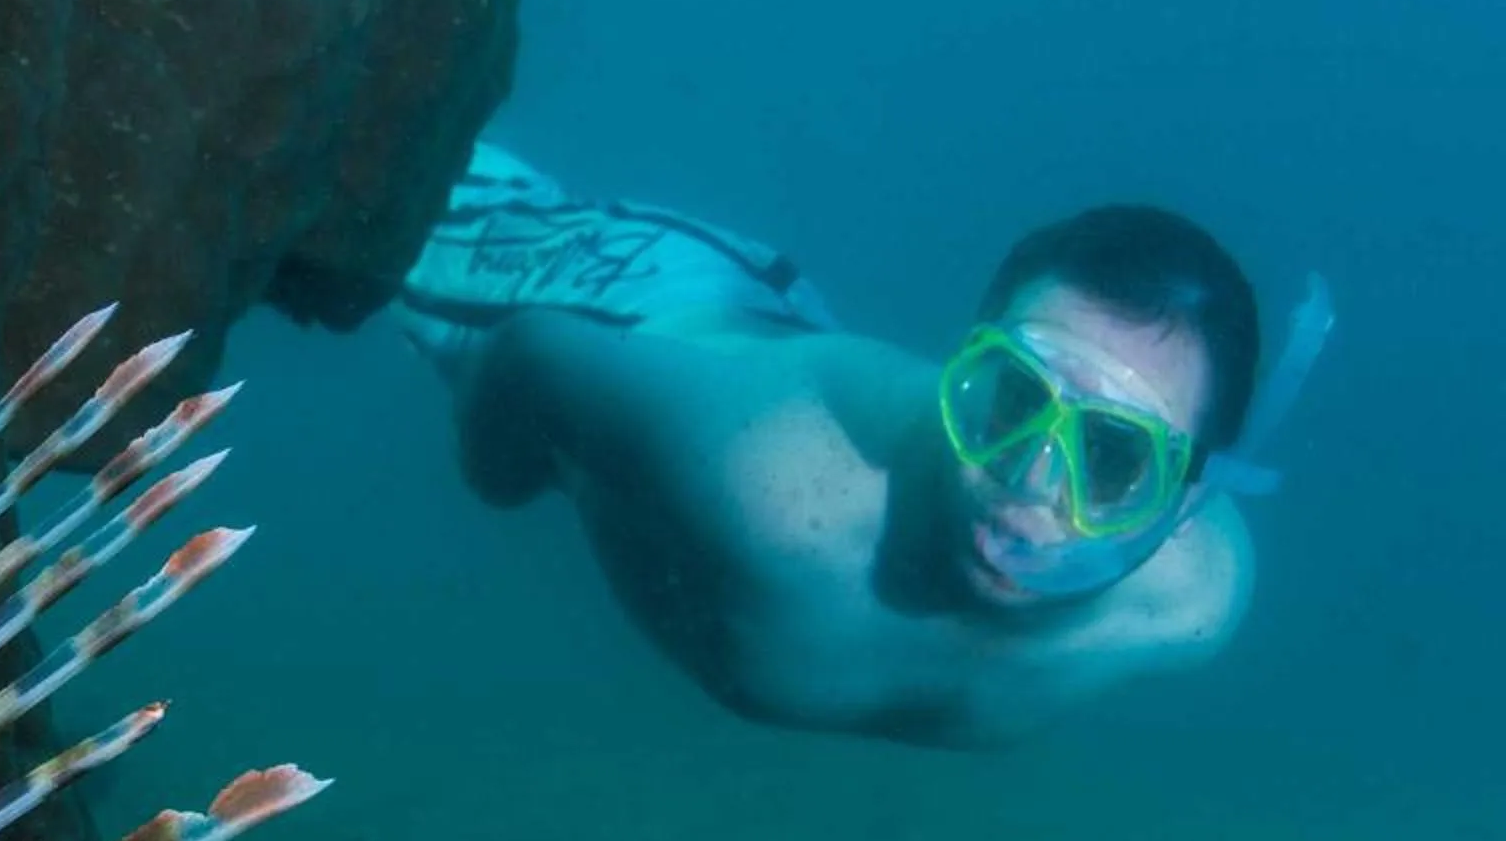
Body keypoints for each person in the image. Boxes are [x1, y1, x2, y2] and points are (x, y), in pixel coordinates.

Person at [394, 144, 1330, 748]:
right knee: (374, 190)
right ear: (960, 364)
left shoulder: (1189, 609)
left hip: (767, 357)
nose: (1030, 483)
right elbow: (533, 349)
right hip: (635, 304)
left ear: (1187, 504)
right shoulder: (764, 479)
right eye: (1008, 400)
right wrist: (502, 474)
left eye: (1115, 459)